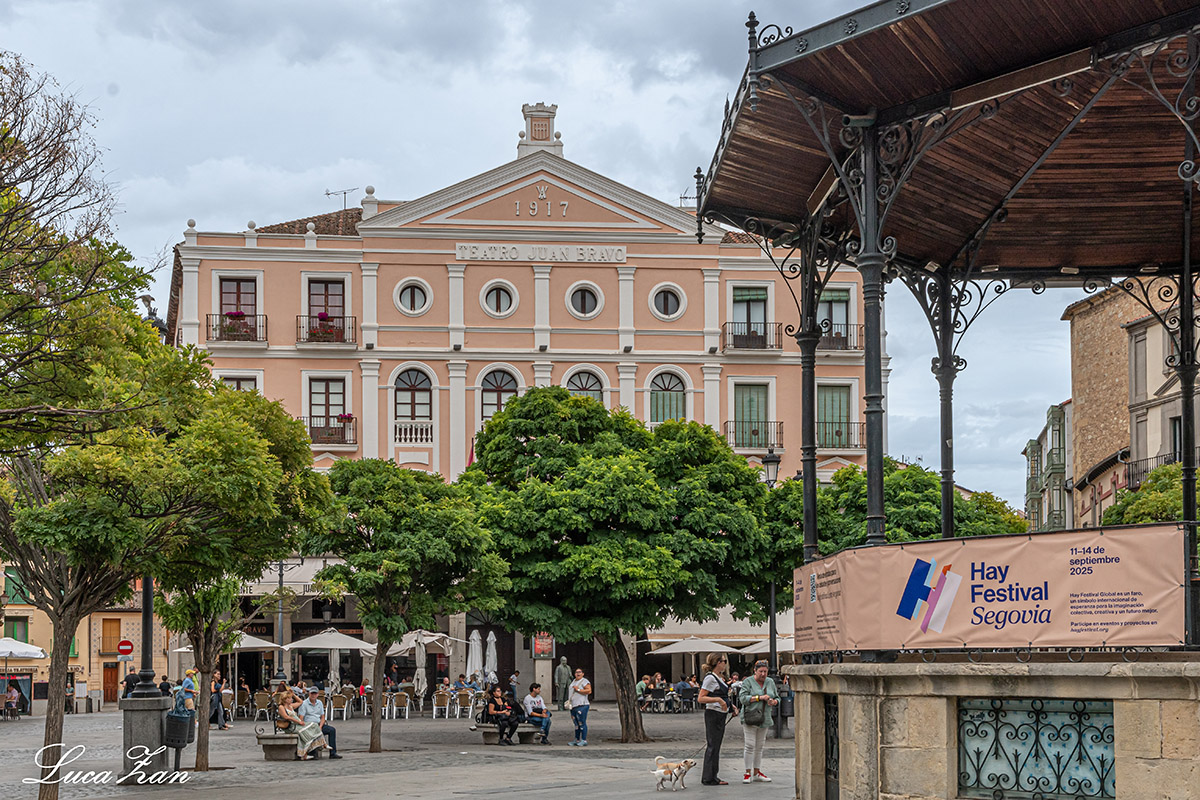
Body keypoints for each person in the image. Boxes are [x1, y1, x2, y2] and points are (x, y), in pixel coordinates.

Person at [737, 659, 779, 784]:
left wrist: (774, 701)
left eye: (765, 671)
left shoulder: (770, 682)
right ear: (755, 671)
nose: (763, 674)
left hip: (765, 718)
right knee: (750, 745)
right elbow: (742, 698)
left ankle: (756, 772)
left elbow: (777, 697)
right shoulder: (748, 682)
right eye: (760, 671)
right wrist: (759, 698)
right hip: (750, 717)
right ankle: (747, 772)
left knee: (760, 746)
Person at [698, 653, 736, 786]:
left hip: (720, 713)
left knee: (716, 745)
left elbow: (722, 695)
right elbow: (701, 698)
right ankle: (708, 777)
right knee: (712, 745)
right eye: (724, 661)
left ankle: (713, 775)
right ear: (718, 663)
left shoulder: (719, 677)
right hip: (713, 713)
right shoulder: (710, 678)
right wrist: (719, 700)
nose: (725, 664)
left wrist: (731, 706)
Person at [276, 692, 327, 760]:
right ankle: (304, 754)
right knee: (303, 732)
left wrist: (293, 695)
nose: (291, 699)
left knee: (314, 725)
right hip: (291, 727)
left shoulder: (291, 706)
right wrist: (299, 721)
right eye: (290, 698)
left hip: (297, 724)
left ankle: (323, 743)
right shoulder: (281, 707)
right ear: (285, 699)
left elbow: (300, 702)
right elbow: (286, 717)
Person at [298, 686, 342, 759]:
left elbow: (322, 717)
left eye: (315, 694)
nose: (313, 695)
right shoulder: (304, 704)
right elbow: (301, 718)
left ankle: (333, 753)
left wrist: (320, 726)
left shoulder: (319, 703)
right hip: (310, 726)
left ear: (317, 694)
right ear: (309, 694)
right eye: (312, 693)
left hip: (318, 724)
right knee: (313, 732)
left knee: (332, 730)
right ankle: (312, 752)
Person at [567, 667, 591, 747]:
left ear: (583, 674)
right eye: (576, 672)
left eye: (579, 672)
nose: (578, 673)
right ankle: (576, 739)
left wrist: (578, 690)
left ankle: (584, 739)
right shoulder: (573, 681)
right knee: (576, 724)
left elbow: (589, 691)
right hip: (573, 705)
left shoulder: (584, 681)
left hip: (582, 705)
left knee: (582, 722)